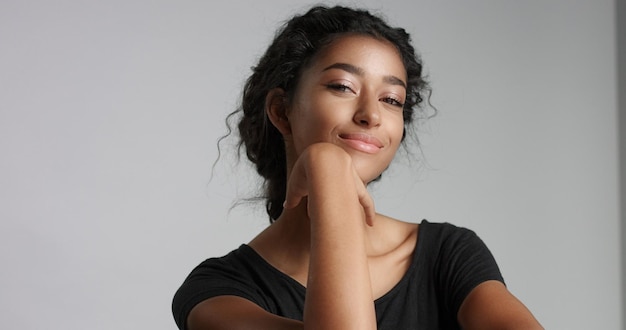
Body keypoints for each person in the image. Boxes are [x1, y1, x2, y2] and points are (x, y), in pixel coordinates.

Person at [172, 5, 543, 330]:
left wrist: (327, 168)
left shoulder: (449, 254)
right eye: (342, 86)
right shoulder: (216, 291)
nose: (371, 115)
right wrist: (329, 171)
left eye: (391, 99)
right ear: (282, 112)